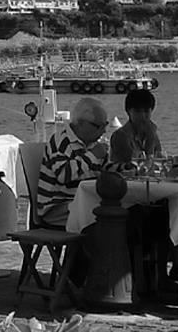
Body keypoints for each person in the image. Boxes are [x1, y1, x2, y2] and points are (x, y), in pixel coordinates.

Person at [38, 97, 108, 228]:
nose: (104, 131)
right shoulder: (60, 141)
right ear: (80, 123)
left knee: (128, 210)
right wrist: (92, 155)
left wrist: (123, 167)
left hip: (85, 202)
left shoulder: (93, 143)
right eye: (99, 126)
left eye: (106, 125)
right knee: (105, 217)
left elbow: (105, 171)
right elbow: (63, 175)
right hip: (56, 208)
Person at [109, 88, 162, 166]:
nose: (142, 116)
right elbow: (134, 166)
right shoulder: (120, 136)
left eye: (146, 111)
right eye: (137, 111)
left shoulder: (152, 132)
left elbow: (159, 160)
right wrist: (150, 140)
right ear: (128, 111)